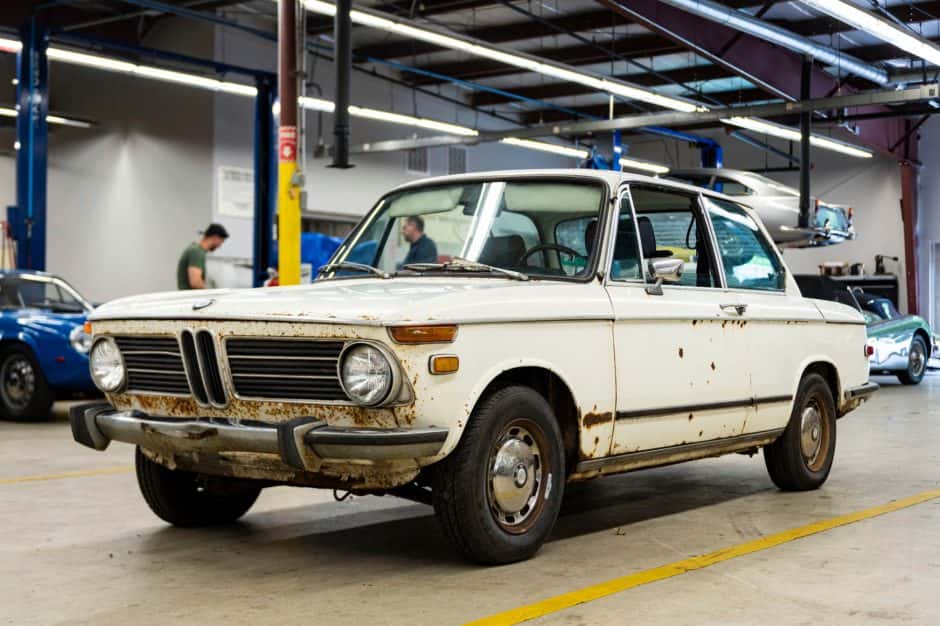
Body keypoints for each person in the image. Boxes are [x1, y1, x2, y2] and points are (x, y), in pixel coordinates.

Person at [177, 223, 229, 290]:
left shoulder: (196, 250)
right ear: (215, 237)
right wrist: (210, 293)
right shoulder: (196, 252)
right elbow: (195, 282)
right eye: (221, 241)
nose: (220, 246)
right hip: (191, 296)